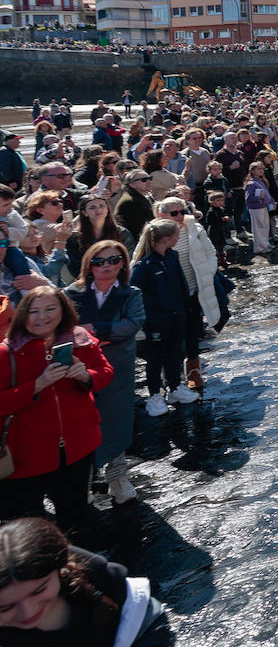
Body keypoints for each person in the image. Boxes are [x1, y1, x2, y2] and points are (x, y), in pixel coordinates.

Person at [0, 287, 113, 530]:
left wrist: (85, 376)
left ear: (63, 311)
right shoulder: (6, 352)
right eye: (34, 311)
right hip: (25, 458)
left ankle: (74, 566)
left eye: (50, 308)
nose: (42, 317)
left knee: (77, 517)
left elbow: (105, 372)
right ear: (22, 315)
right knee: (29, 530)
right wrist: (37, 385)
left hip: (78, 450)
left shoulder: (80, 340)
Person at [0, 517, 173, 645]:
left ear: (59, 569)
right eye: (5, 607)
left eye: (39, 590)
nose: (27, 612)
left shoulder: (138, 614)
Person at [62, 240, 143, 505]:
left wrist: (91, 329)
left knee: (117, 418)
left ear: (123, 264)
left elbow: (131, 326)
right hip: (80, 366)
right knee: (82, 420)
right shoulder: (71, 293)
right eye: (99, 261)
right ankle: (83, 479)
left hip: (118, 366)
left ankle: (118, 475)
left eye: (114, 260)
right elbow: (63, 327)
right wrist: (106, 330)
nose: (106, 266)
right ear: (89, 264)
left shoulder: (132, 294)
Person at [129, 220, 197, 416]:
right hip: (157, 320)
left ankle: (175, 387)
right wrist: (154, 312)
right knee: (155, 358)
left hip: (178, 316)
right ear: (167, 239)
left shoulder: (172, 257)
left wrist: (186, 308)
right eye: (176, 235)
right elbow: (137, 292)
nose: (178, 239)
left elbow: (181, 284)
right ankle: (154, 394)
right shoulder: (144, 265)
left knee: (175, 353)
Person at [112, 171, 155, 242]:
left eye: (150, 178)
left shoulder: (142, 197)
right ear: (132, 184)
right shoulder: (131, 202)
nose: (149, 181)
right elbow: (139, 230)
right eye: (144, 180)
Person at [244, 161, 274, 256]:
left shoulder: (261, 180)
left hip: (263, 207)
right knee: (258, 228)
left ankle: (265, 244)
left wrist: (272, 201)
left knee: (265, 226)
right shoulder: (251, 183)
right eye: (258, 169)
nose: (261, 171)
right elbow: (248, 198)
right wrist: (259, 197)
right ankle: (259, 248)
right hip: (256, 208)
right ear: (252, 171)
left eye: (262, 169)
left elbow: (267, 193)